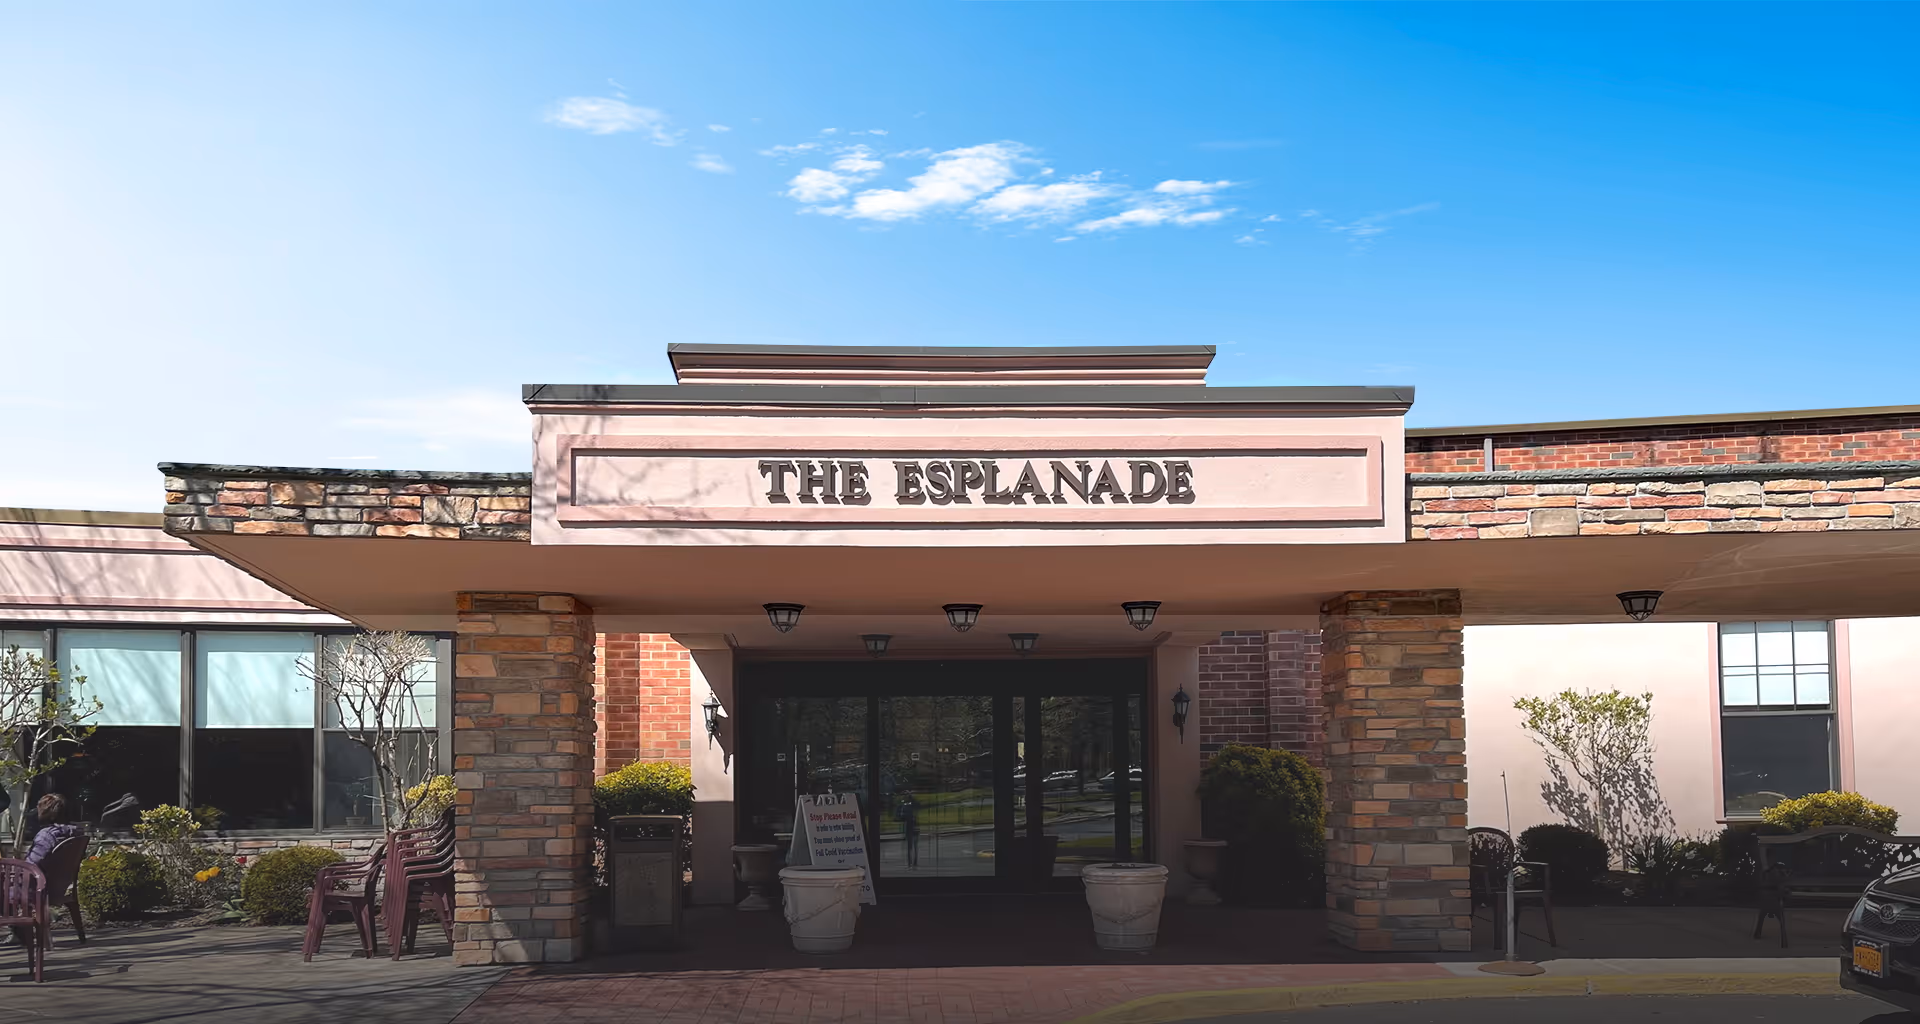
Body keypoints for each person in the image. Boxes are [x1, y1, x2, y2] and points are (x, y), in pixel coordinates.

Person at [25, 794, 81, 866]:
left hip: (41, 876)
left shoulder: (46, 836)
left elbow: (31, 865)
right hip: (64, 876)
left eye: (39, 807)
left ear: (45, 812)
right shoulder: (76, 834)